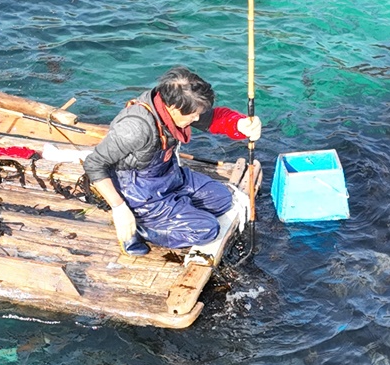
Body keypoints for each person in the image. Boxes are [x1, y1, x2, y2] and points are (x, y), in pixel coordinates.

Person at [83, 66, 262, 256]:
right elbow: (94, 164)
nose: (197, 118)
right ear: (174, 108)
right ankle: (142, 226)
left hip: (169, 176)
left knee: (223, 200)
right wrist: (119, 208)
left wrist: (240, 124)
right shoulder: (134, 128)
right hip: (140, 191)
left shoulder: (178, 106)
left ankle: (176, 208)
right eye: (193, 115)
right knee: (206, 229)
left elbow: (212, 118)